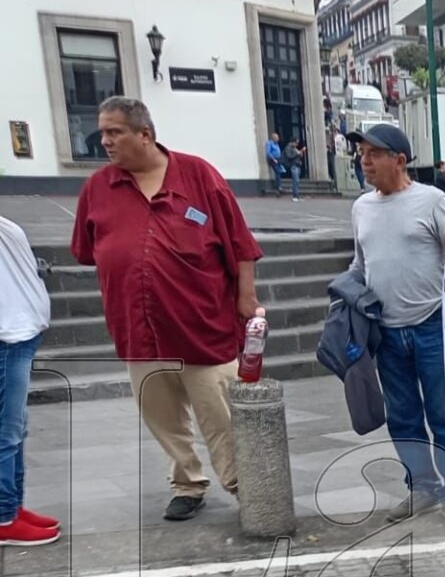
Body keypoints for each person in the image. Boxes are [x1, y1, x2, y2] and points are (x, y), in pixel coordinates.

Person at [71, 96, 262, 521]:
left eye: (114, 132)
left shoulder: (198, 175)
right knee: (162, 417)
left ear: (145, 134)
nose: (104, 141)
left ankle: (246, 484)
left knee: (221, 414)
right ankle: (187, 484)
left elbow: (240, 243)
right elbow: (87, 251)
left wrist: (246, 298)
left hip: (202, 324)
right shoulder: (98, 188)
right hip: (138, 331)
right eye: (102, 132)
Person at [346, 124, 445, 529]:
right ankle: (423, 486)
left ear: (399, 160)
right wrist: (347, 301)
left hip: (433, 325)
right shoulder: (361, 207)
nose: (365, 160)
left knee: (442, 415)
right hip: (386, 331)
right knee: (403, 416)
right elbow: (360, 265)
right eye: (362, 152)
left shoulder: (432, 201)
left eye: (373, 153)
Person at [0, 217, 57, 546]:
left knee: (16, 429)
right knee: (6, 432)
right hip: (8, 338)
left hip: (20, 337)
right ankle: (5, 517)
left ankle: (13, 507)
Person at [265, 131, 285, 196]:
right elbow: (268, 152)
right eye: (277, 137)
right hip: (273, 160)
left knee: (279, 172)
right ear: (273, 138)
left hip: (278, 159)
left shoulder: (276, 144)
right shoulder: (269, 143)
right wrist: (273, 159)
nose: (278, 139)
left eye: (278, 137)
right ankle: (278, 187)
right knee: (277, 172)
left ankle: (279, 188)